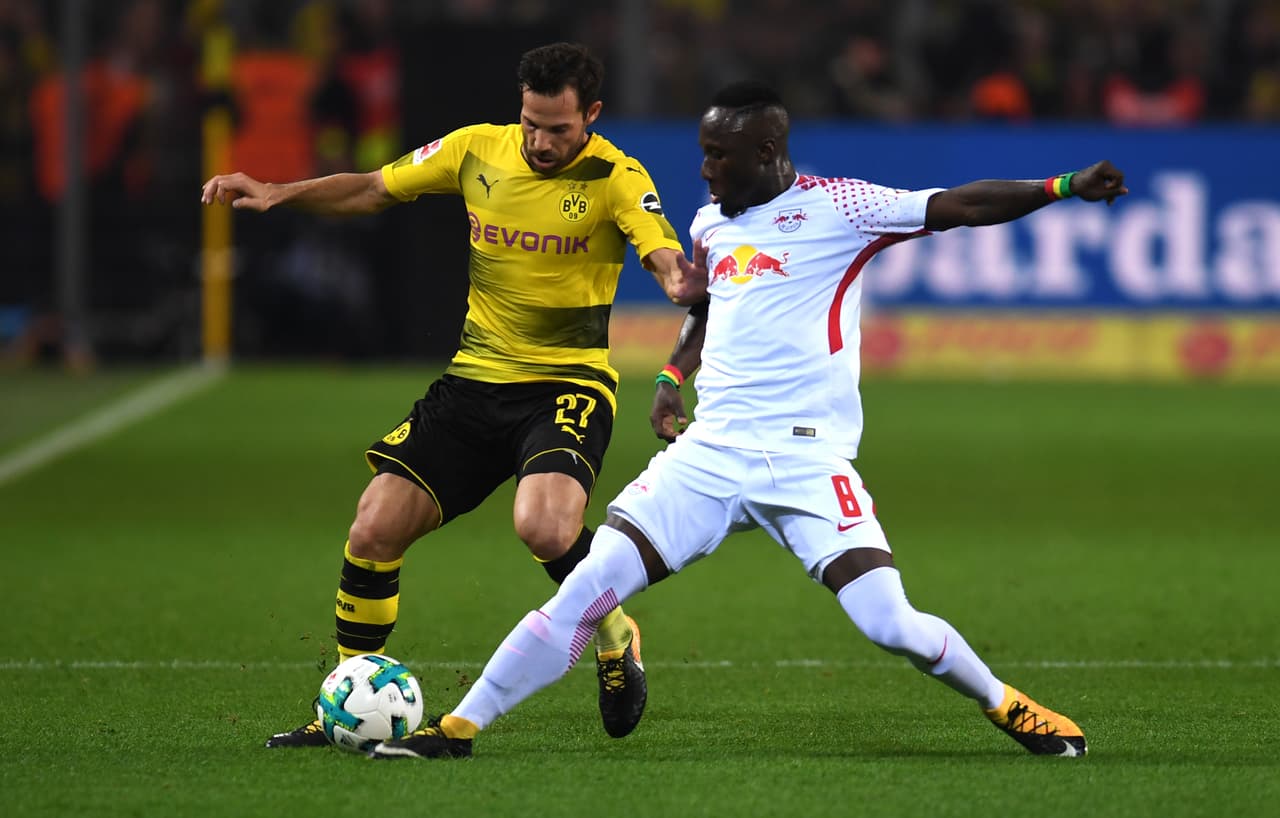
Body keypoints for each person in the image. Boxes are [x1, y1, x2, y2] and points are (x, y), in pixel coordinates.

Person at [362, 80, 1129, 761]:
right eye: (703, 152)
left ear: (766, 151)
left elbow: (960, 206)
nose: (705, 169)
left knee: (890, 623)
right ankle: (458, 728)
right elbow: (709, 308)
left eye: (718, 155)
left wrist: (1061, 186)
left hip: (808, 460)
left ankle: (1004, 703)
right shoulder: (710, 224)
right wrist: (672, 377)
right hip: (710, 454)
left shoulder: (843, 208)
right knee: (585, 591)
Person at [200, 42, 704, 746]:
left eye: (558, 129)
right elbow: (374, 187)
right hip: (473, 381)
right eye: (531, 123)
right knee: (373, 528)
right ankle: (343, 701)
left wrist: (678, 278)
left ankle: (615, 632)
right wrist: (280, 192)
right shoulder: (474, 150)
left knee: (545, 528)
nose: (541, 142)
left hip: (566, 384)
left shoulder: (617, 176)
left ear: (590, 114)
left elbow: (661, 253)